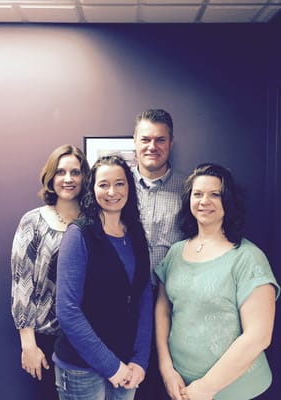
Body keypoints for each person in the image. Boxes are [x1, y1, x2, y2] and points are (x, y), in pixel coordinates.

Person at [155, 163, 280, 400]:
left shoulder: (248, 257)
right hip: (180, 387)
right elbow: (163, 311)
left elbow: (259, 336)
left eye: (215, 194)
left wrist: (205, 388)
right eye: (198, 194)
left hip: (238, 391)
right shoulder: (175, 252)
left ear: (228, 201)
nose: (205, 201)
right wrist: (166, 369)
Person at [54, 155, 153, 400]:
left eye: (119, 183)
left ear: (129, 187)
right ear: (92, 188)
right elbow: (68, 311)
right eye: (103, 184)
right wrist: (111, 366)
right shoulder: (79, 235)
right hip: (81, 369)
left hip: (128, 365)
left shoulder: (136, 233)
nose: (112, 192)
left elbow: (144, 298)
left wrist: (140, 359)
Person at [11, 144, 89, 400]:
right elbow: (22, 283)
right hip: (44, 339)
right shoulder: (33, 222)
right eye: (61, 172)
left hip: (87, 340)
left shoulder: (94, 221)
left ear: (84, 177)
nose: (68, 179)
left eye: (75, 172)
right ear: (50, 177)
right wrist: (28, 344)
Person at [132, 108, 183, 400]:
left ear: (171, 143)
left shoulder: (188, 189)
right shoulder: (118, 187)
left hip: (173, 303)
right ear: (135, 142)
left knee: (166, 382)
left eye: (160, 140)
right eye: (146, 139)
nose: (153, 147)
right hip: (126, 302)